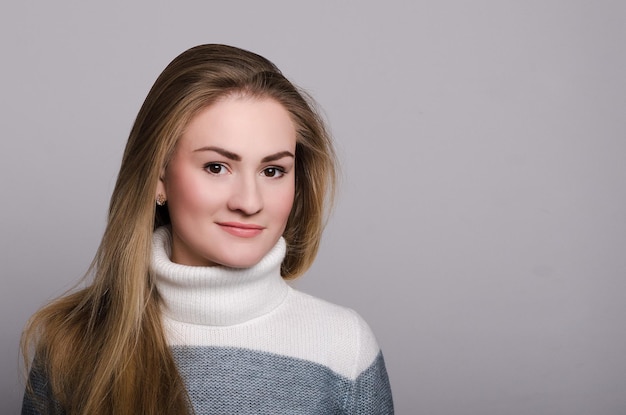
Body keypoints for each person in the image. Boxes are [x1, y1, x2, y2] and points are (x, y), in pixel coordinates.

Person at [21, 44, 393, 414]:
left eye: (272, 171)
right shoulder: (72, 345)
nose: (249, 202)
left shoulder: (344, 348)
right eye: (217, 167)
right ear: (159, 177)